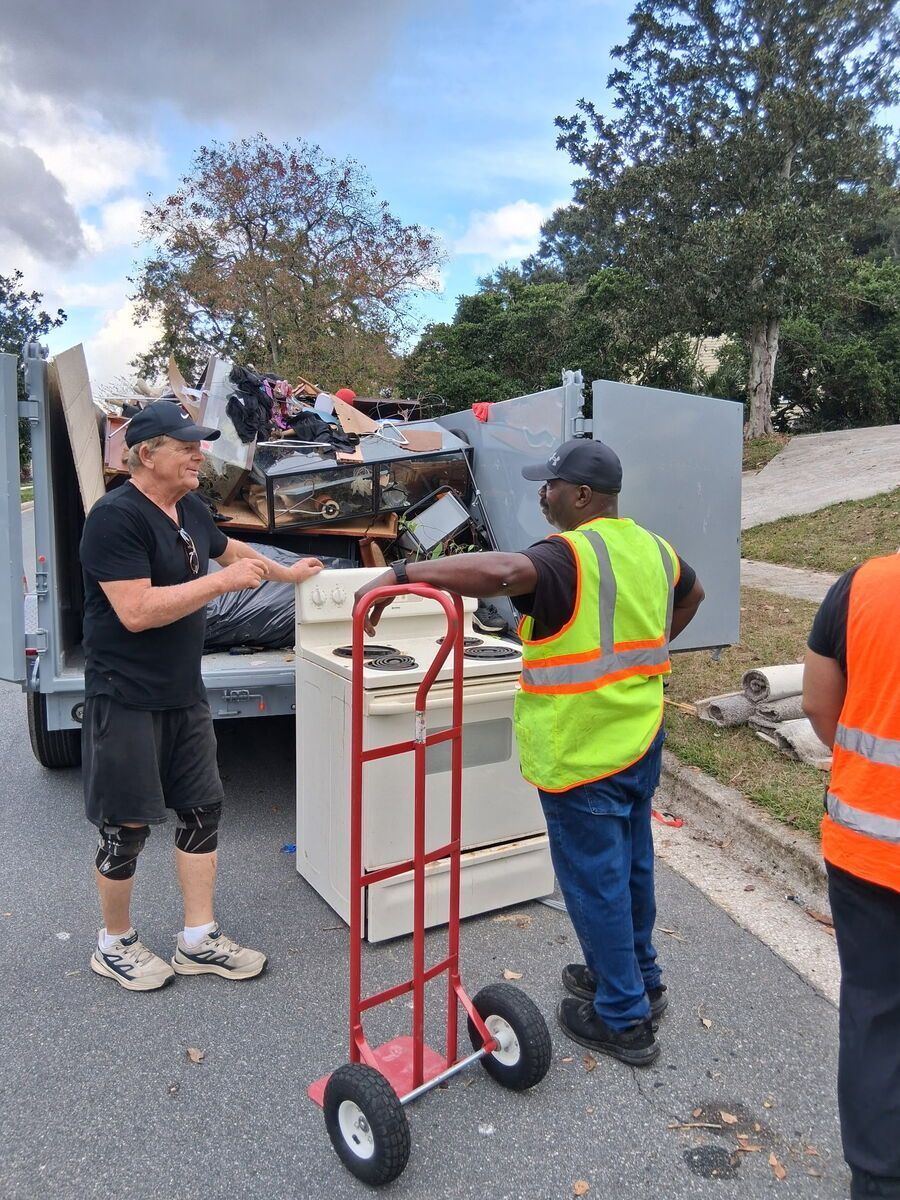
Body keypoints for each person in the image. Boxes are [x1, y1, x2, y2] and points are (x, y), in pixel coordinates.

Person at [355, 438, 704, 1064]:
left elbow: (506, 571)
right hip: (638, 739)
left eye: (550, 485)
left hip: (583, 751)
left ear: (582, 496)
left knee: (596, 883)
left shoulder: (569, 553)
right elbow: (690, 598)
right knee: (630, 868)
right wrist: (645, 654)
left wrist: (403, 573)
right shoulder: (654, 548)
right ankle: (638, 983)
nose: (542, 494)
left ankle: (623, 1018)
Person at [80, 401, 324, 991]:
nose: (198, 455)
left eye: (199, 444)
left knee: (202, 811)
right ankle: (113, 943)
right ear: (146, 454)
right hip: (126, 694)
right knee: (128, 826)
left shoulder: (186, 505)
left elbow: (226, 549)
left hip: (182, 691)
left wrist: (285, 573)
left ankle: (198, 938)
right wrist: (218, 584)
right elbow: (136, 612)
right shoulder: (115, 518)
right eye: (185, 446)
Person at [802, 553, 900, 1200]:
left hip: (871, 848)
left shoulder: (864, 586)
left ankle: (878, 1179)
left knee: (877, 1014)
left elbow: (818, 704)